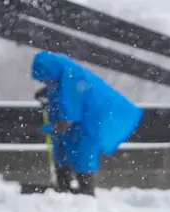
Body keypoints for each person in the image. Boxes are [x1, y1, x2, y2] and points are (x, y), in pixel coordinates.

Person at [30, 51, 144, 196]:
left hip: (88, 123)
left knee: (82, 155)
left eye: (46, 79)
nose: (45, 83)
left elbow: (67, 119)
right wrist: (47, 92)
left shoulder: (71, 78)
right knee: (64, 151)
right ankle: (64, 189)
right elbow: (60, 95)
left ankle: (86, 194)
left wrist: (51, 128)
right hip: (80, 124)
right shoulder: (62, 74)